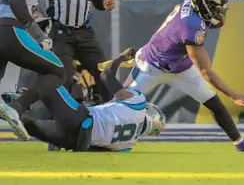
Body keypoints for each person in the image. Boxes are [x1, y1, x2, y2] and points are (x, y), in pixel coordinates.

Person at [120, 0, 244, 152]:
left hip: (180, 66)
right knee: (121, 102)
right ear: (204, 6)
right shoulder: (192, 24)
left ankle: (240, 144)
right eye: (216, 9)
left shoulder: (193, 4)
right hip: (152, 65)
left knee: (213, 102)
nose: (219, 14)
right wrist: (234, 95)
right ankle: (95, 132)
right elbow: (205, 71)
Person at [1, 48, 166, 152]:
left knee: (51, 75)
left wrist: (121, 58)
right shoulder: (128, 146)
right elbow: (97, 148)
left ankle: (23, 99)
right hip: (73, 139)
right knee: (25, 123)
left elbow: (106, 75)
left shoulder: (138, 103)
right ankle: (17, 104)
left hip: (80, 117)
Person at [0, 0, 65, 141]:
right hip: (11, 29)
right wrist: (37, 32)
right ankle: (17, 106)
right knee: (57, 71)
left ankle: (13, 104)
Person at [41, 0, 115, 103]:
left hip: (84, 33)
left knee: (104, 71)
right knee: (64, 76)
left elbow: (98, 0)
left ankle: (113, 113)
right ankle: (59, 117)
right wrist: (34, 11)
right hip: (59, 32)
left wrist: (105, 3)